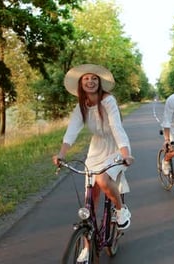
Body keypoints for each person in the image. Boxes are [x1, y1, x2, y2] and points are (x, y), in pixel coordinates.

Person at [52, 64, 133, 230]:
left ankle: (120, 210)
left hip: (115, 146)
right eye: (86, 79)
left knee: (102, 180)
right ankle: (87, 246)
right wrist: (61, 154)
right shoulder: (81, 106)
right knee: (90, 196)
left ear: (100, 82)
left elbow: (116, 128)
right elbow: (71, 131)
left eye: (94, 78)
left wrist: (125, 154)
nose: (90, 81)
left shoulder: (108, 101)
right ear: (81, 84)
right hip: (96, 148)